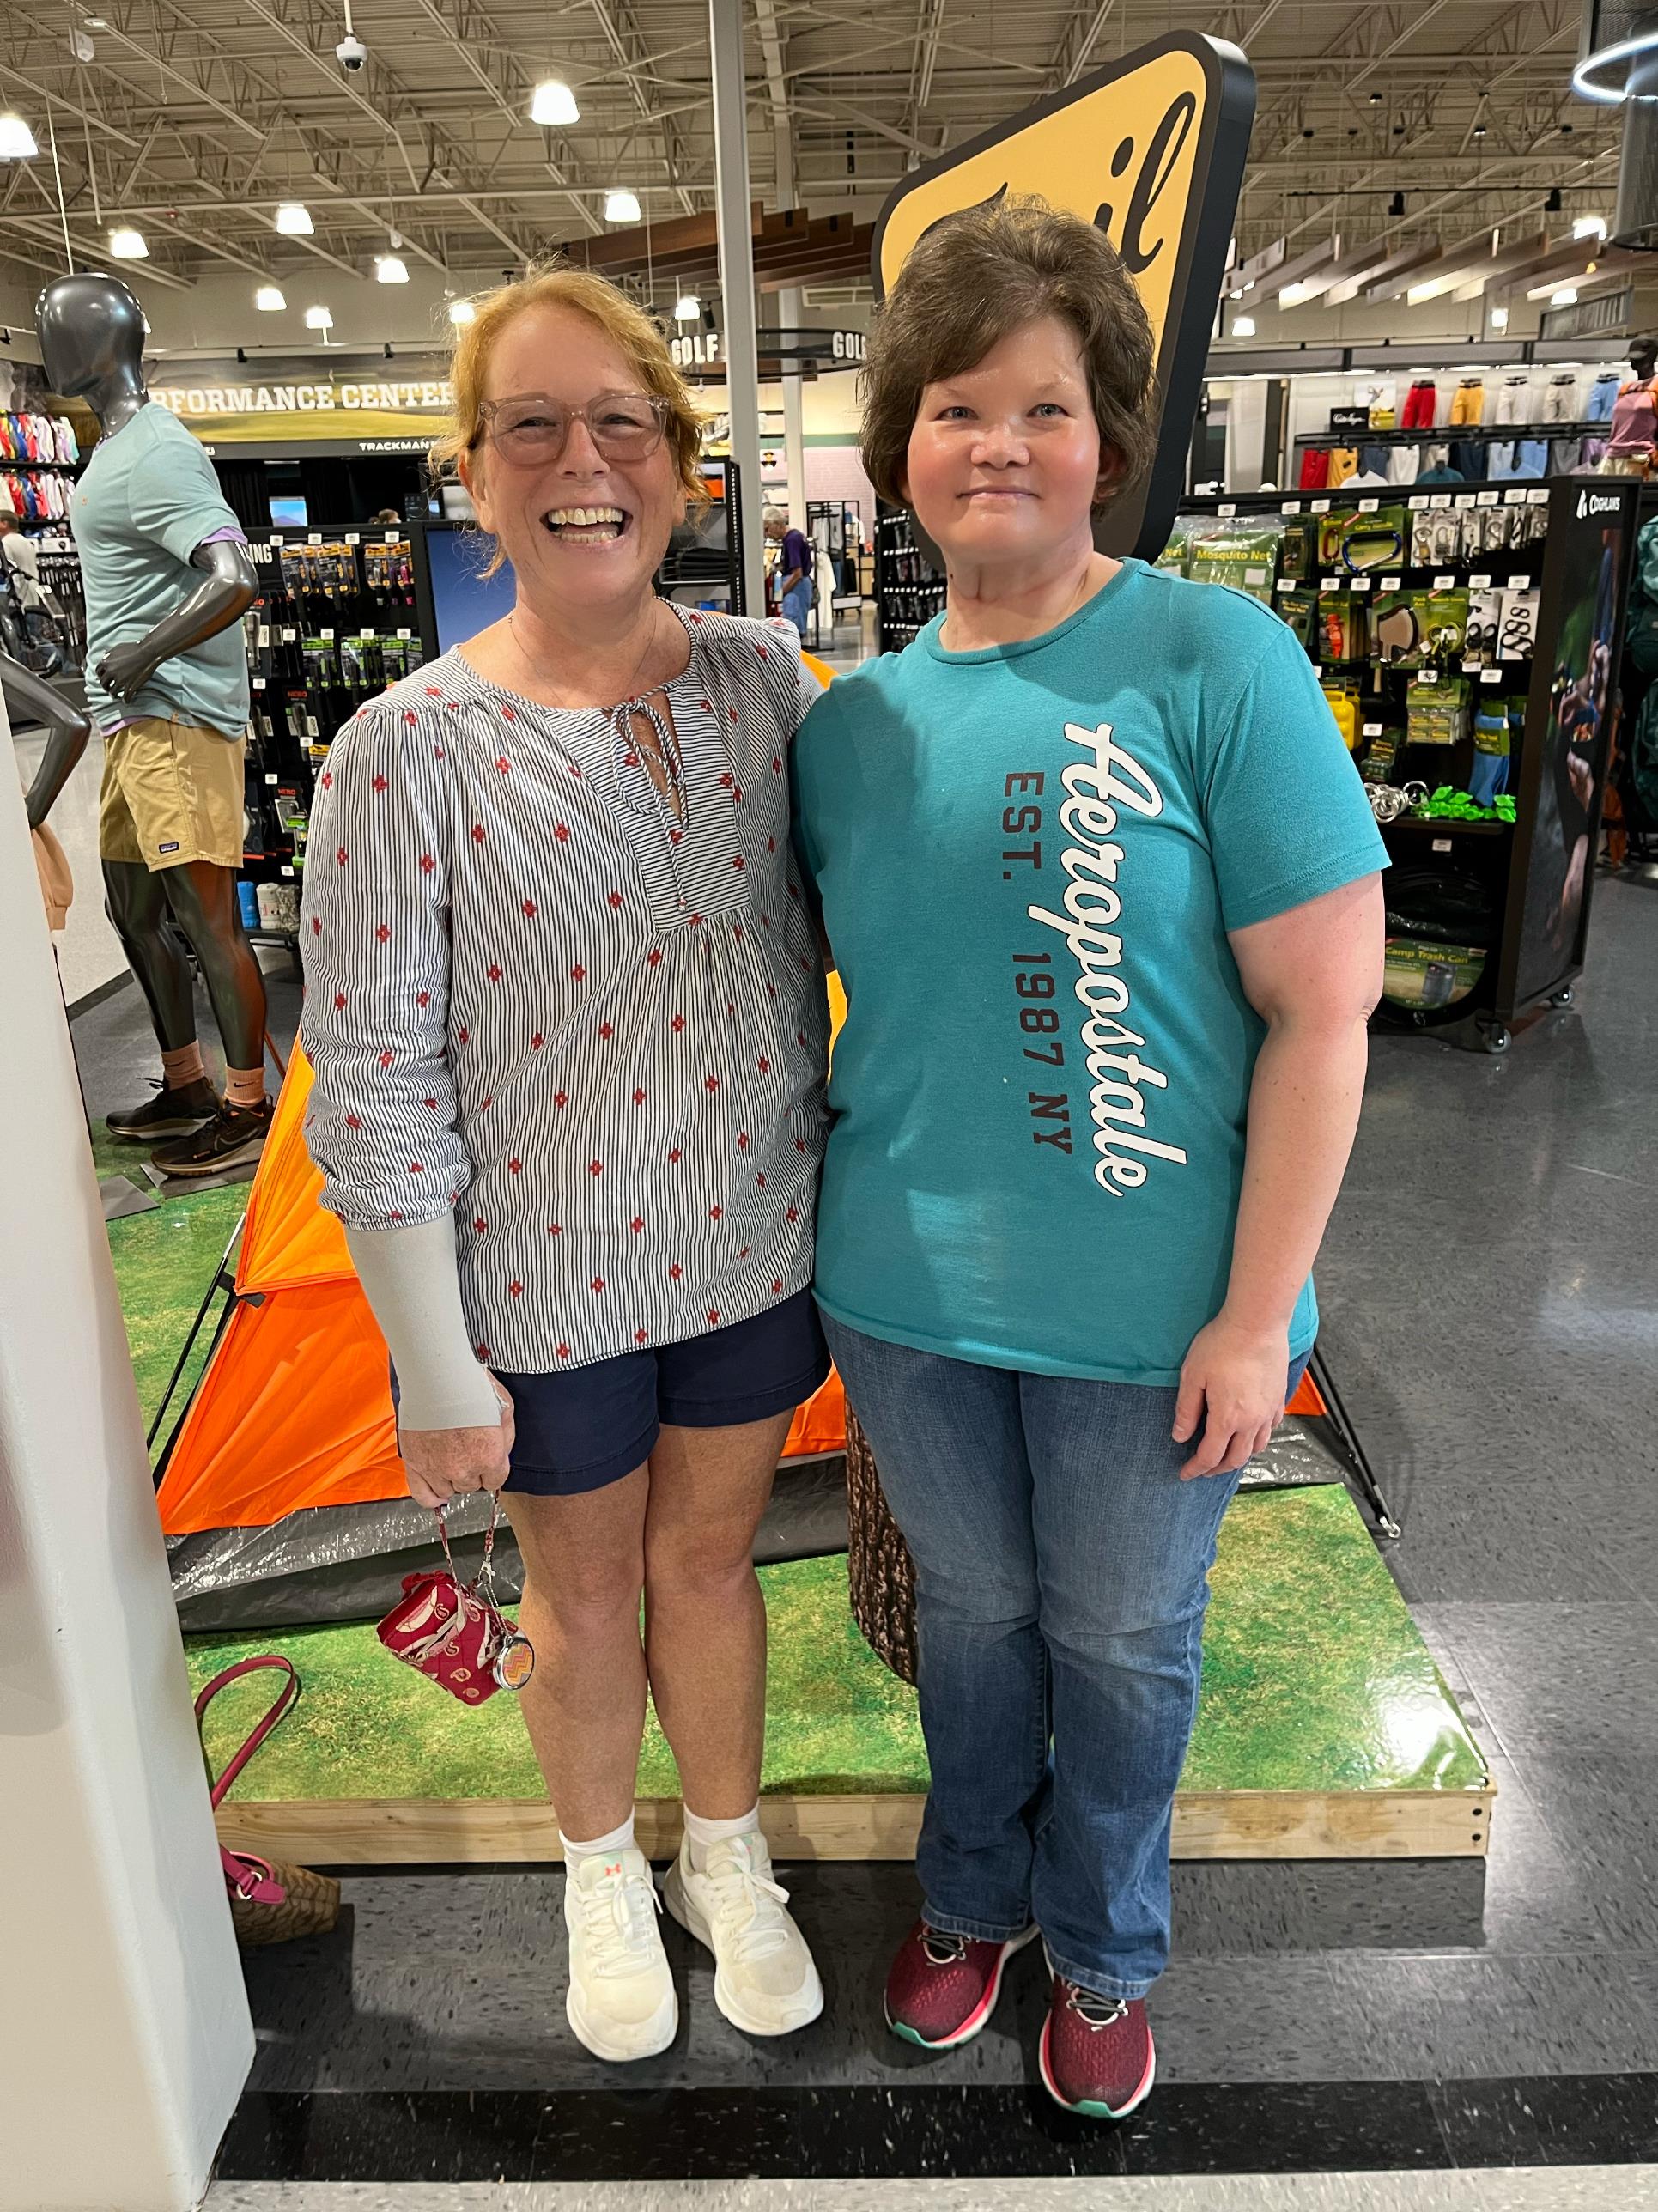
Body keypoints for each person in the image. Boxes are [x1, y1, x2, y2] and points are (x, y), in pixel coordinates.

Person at [790, 200, 1388, 2120]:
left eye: (1039, 407)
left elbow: (1320, 1015)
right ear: (898, 445)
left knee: (1119, 1637)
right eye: (954, 405)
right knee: (966, 1623)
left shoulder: (1215, 657)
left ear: (1104, 442)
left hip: (1159, 1319)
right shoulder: (852, 727)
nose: (996, 445)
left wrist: (1250, 1316)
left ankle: (1105, 1942)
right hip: (904, 1293)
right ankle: (969, 1897)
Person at [301, 263, 832, 2063]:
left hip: (754, 1249)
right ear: (473, 472)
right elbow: (369, 1074)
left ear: (679, 465)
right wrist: (431, 1358)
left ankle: (726, 1854)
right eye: (530, 423)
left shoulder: (767, 683)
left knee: (711, 1562)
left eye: (618, 420)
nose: (578, 458)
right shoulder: (406, 752)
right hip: (547, 1283)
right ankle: (599, 1862)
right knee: (582, 1584)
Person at [764, 507, 812, 638]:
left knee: (791, 632)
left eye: (767, 529)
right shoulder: (793, 537)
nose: (767, 534)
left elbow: (797, 573)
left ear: (777, 524)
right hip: (798, 587)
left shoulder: (792, 540)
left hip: (796, 589)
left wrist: (780, 594)